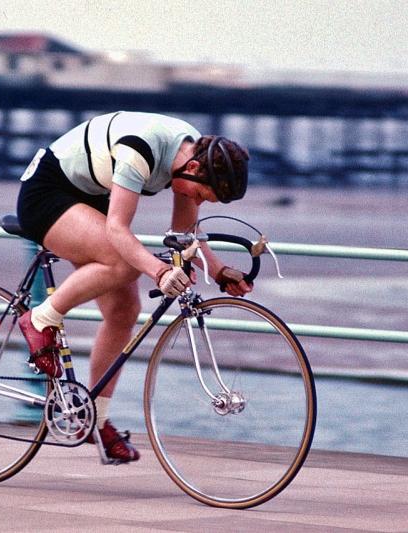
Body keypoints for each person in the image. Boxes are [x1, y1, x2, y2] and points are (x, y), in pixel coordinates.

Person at [15, 111, 252, 463]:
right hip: (48, 193)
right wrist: (158, 271)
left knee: (125, 311)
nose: (198, 202)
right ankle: (40, 319)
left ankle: (95, 418)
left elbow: (183, 235)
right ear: (195, 170)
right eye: (202, 195)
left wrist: (218, 270)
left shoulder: (192, 157)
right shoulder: (140, 148)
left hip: (91, 195)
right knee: (125, 263)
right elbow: (117, 230)